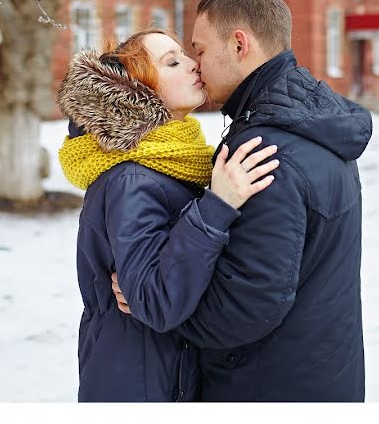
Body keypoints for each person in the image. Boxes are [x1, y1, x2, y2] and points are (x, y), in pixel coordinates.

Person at [113, 0, 373, 401]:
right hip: (317, 374)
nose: (197, 64)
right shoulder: (314, 124)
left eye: (199, 49)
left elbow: (245, 307)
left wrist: (157, 304)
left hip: (268, 387)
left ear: (238, 45)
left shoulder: (264, 150)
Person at [56, 28, 280, 402]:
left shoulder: (177, 163)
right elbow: (157, 301)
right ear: (137, 95)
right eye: (172, 62)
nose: (194, 64)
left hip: (163, 373)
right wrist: (217, 207)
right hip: (135, 386)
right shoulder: (132, 179)